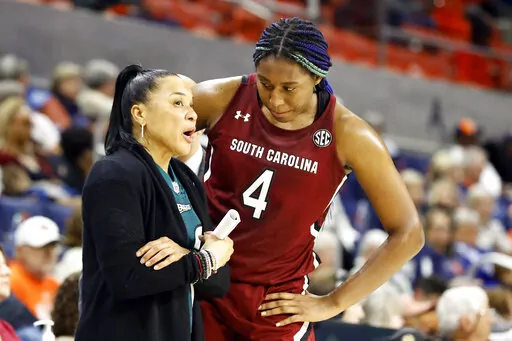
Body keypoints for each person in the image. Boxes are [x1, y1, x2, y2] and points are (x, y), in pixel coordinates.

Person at [190, 17, 424, 340]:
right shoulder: (219, 97)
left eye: (289, 88)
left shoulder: (348, 134)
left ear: (316, 77)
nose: (275, 100)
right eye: (265, 84)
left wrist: (333, 302)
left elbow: (409, 233)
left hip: (275, 306)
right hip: (202, 281)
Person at [74, 65, 234, 341]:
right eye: (177, 102)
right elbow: (127, 277)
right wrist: (204, 260)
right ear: (139, 113)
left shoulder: (186, 178)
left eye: (192, 105)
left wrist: (190, 258)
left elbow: (218, 283)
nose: (192, 113)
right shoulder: (114, 173)